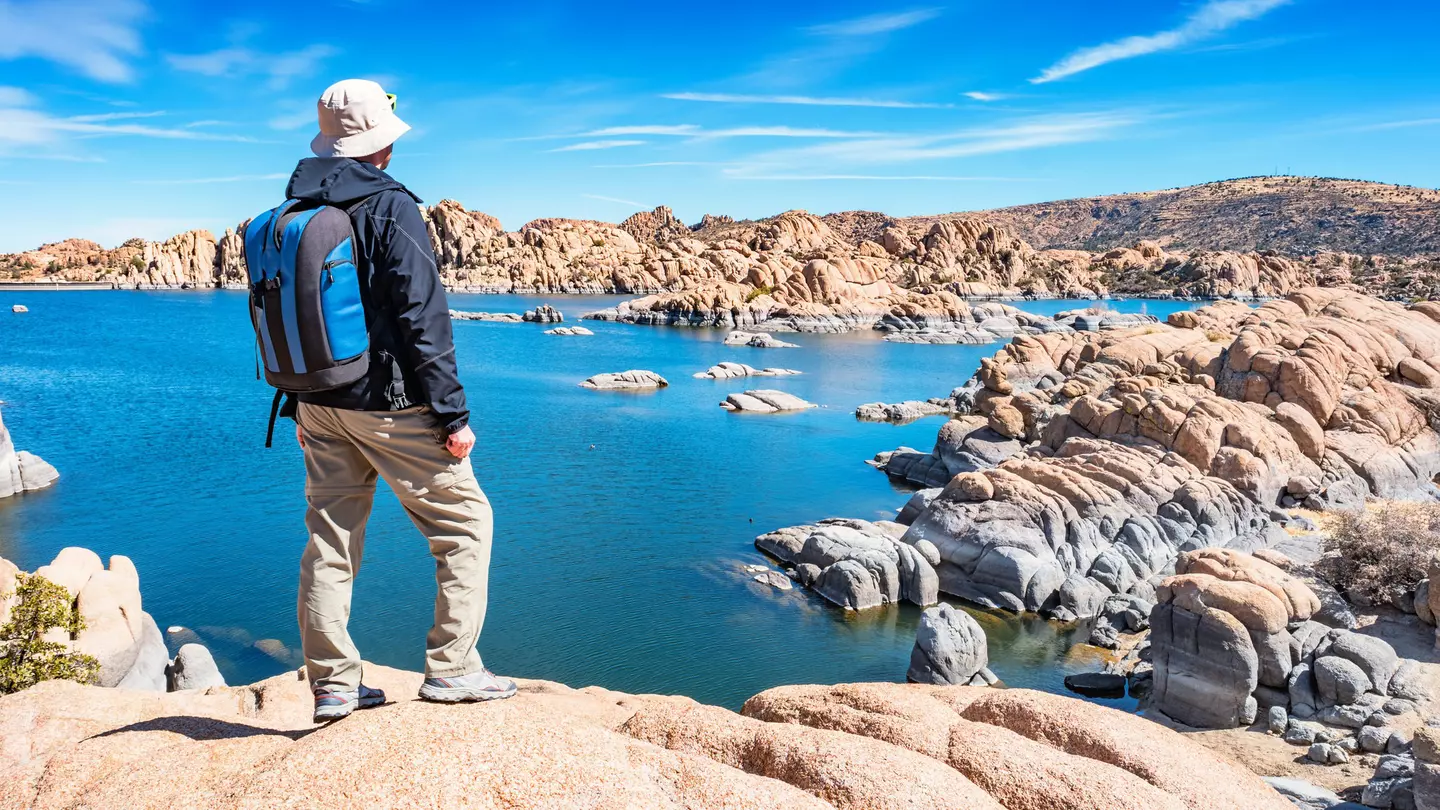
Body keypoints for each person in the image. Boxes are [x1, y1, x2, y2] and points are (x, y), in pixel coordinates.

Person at [283, 78, 515, 722]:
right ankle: (454, 669)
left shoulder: (295, 206)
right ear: (381, 142)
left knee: (330, 540)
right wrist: (453, 414)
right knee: (465, 526)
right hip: (391, 405)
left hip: (319, 402)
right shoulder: (390, 206)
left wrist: (296, 405)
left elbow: (283, 317)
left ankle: (332, 682)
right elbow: (423, 316)